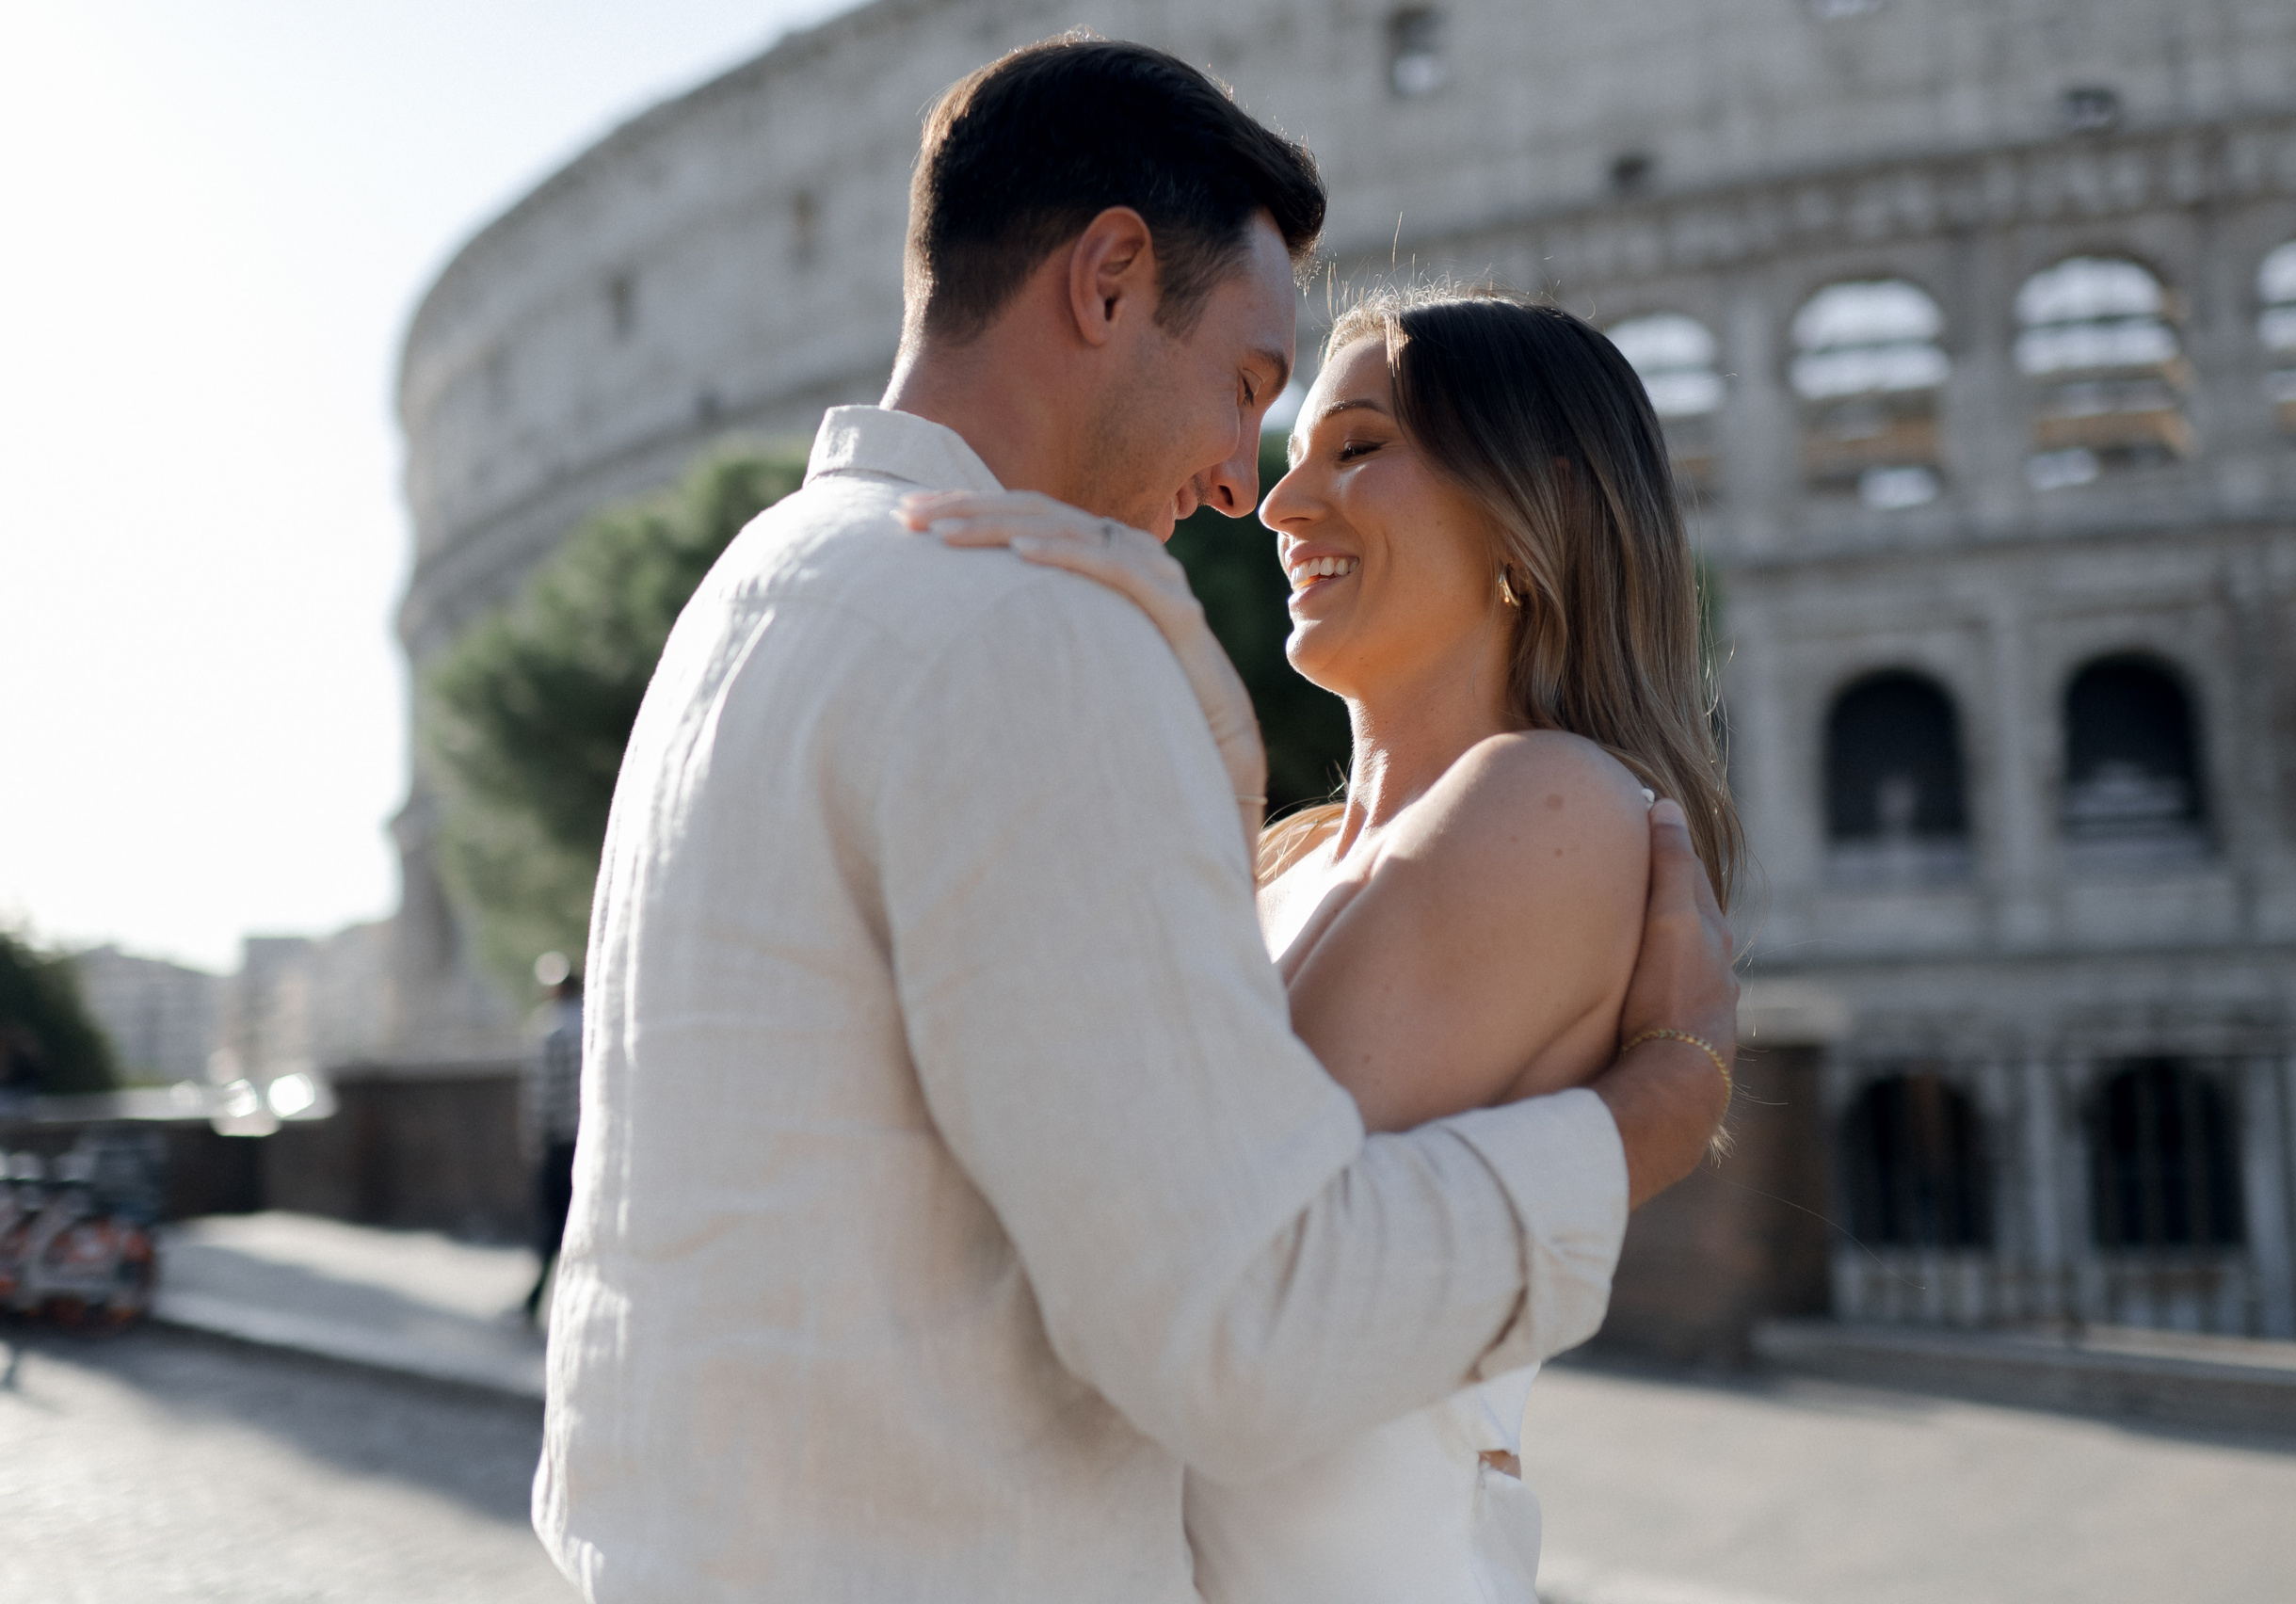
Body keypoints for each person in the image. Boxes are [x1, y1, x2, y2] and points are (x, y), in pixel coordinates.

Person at [534, 37, 1735, 1603]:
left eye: (1330, 439)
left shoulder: (762, 587)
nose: (1252, 486)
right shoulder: (1026, 632)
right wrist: (1654, 1109)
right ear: (1108, 279)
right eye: (1251, 386)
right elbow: (1254, 1309)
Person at [908, 286, 1740, 1601]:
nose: (1282, 510)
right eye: (1294, 459)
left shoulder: (1548, 797)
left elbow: (1209, 1245)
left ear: (1542, 504)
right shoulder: (1293, 856)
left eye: (1357, 448)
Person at [521, 952, 583, 1323]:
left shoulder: (551, 1029)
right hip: (587, 1140)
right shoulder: (592, 1022)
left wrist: (534, 1138)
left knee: (552, 1223)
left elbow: (541, 1094)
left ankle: (536, 1304)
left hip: (559, 1140)